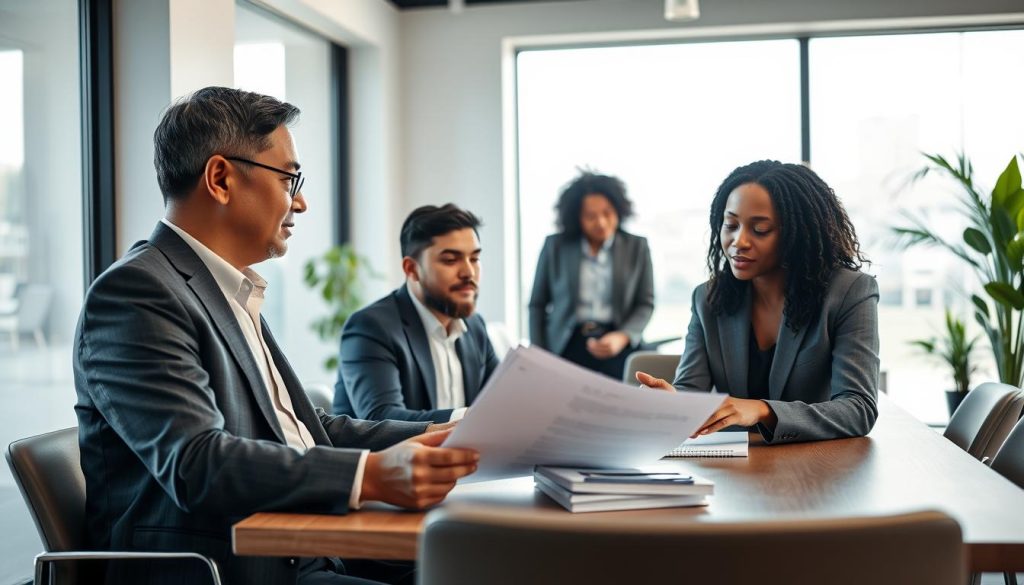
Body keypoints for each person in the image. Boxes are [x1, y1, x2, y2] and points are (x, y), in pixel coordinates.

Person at [72, 87, 478, 585]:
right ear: (220, 178)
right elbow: (196, 463)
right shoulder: (137, 292)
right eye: (290, 179)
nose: (301, 202)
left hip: (305, 547)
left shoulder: (224, 288)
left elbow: (307, 430)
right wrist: (370, 475)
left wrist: (454, 434)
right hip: (228, 569)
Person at [637, 160, 879, 444]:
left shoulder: (850, 292)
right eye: (731, 225)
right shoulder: (708, 299)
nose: (739, 241)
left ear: (797, 235)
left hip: (819, 467)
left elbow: (858, 408)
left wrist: (761, 410)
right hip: (739, 468)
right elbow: (692, 392)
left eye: (760, 229)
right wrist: (671, 403)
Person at [333, 204, 499, 423]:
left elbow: (501, 401)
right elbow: (382, 418)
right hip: (386, 457)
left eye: (475, 259)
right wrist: (469, 418)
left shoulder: (475, 326)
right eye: (450, 260)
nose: (468, 272)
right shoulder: (370, 327)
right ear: (412, 269)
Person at [528, 171, 654, 380]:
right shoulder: (555, 246)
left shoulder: (637, 247)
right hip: (567, 344)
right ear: (577, 218)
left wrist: (622, 337)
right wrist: (539, 356)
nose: (601, 222)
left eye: (607, 213)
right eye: (590, 216)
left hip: (617, 343)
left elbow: (645, 303)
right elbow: (537, 304)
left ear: (619, 211)